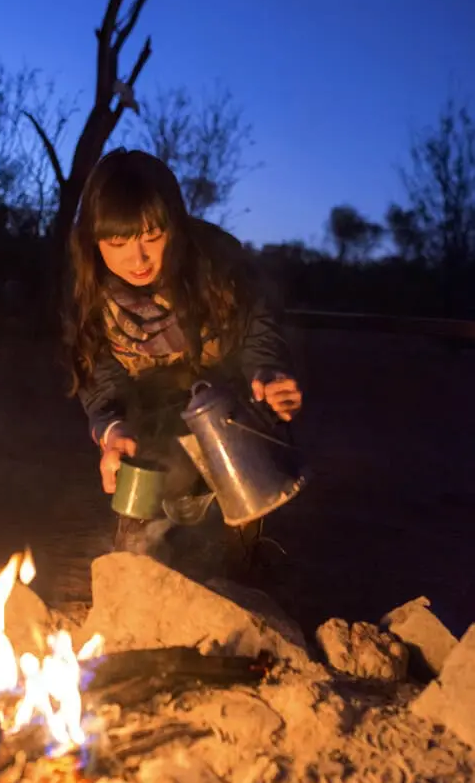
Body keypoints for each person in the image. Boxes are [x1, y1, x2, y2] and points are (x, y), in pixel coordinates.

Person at [65, 148, 303, 570]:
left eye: (152, 236)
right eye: (118, 242)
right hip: (150, 418)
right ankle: (141, 555)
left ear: (175, 225)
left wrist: (267, 372)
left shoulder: (218, 261)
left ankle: (246, 546)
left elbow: (258, 326)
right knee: (141, 476)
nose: (137, 259)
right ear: (94, 239)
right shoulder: (87, 291)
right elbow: (98, 377)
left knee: (227, 433)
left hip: (226, 409)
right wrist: (111, 429)